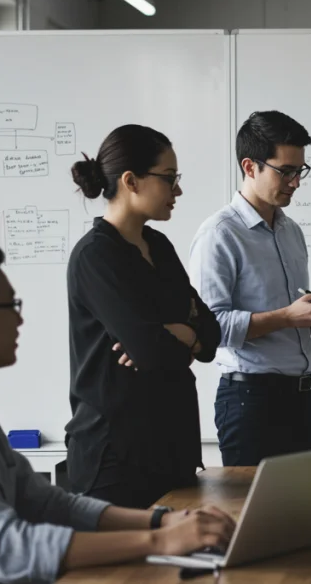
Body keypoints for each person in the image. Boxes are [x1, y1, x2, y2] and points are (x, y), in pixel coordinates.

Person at [0, 240, 235, 583]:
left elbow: (49, 504)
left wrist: (162, 520)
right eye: (10, 305)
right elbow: (9, 550)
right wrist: (160, 540)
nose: (20, 319)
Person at [189, 111, 311, 467]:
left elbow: (291, 316)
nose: (296, 182)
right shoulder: (219, 234)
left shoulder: (291, 231)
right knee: (255, 520)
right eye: (286, 171)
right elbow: (209, 328)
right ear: (250, 167)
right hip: (250, 402)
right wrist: (287, 316)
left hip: (301, 397)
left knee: (302, 518)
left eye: (300, 171)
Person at [66, 124, 221, 508]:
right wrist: (180, 336)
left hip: (172, 451)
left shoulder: (160, 246)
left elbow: (211, 334)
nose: (178, 190)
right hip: (115, 459)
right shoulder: (95, 256)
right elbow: (151, 352)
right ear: (130, 180)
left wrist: (183, 335)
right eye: (169, 179)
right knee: (126, 571)